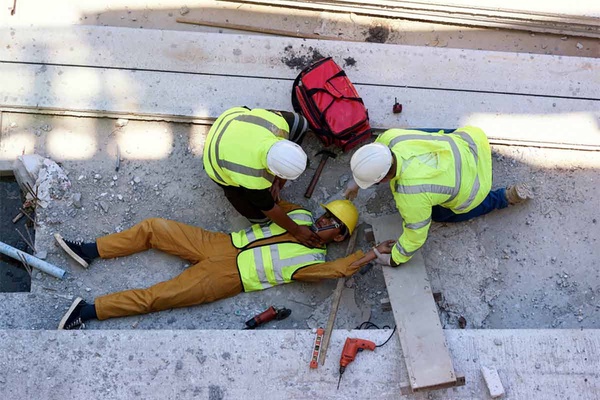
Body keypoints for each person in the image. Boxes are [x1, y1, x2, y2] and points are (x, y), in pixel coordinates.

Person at [55, 200, 395, 330]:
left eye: (332, 223)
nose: (323, 220)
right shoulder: (301, 215)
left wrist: (370, 254)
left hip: (228, 277)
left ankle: (87, 311)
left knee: (156, 297)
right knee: (154, 228)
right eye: (326, 214)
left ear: (338, 238)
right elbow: (269, 203)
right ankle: (88, 250)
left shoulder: (313, 260)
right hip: (222, 243)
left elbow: (336, 272)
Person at [345, 127, 533, 267]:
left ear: (384, 178)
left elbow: (416, 234)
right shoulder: (391, 137)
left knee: (440, 214)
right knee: (428, 134)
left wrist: (395, 258)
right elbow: (376, 151)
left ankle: (505, 197)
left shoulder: (410, 194)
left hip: (476, 184)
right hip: (472, 142)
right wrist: (358, 180)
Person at [203, 106, 322, 248]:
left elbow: (299, 123)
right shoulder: (252, 177)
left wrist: (278, 182)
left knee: (300, 124)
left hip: (230, 119)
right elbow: (268, 207)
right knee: (261, 218)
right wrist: (296, 231)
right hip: (214, 157)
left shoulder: (280, 125)